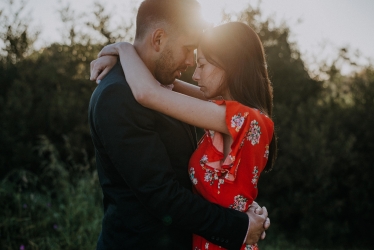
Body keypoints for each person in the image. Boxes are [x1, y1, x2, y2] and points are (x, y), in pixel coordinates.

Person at [88, 0, 270, 249]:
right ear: (159, 39)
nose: (190, 63)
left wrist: (122, 50)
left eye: (201, 61)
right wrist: (240, 226)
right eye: (188, 49)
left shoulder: (167, 89)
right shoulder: (118, 96)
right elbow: (162, 195)